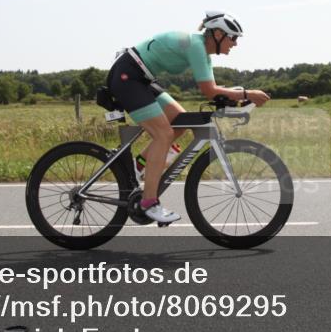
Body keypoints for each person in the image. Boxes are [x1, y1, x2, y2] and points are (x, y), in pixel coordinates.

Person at [106, 11, 271, 223]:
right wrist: (248, 94)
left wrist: (237, 97)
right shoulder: (196, 47)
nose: (235, 44)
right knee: (163, 135)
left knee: (180, 120)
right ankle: (149, 203)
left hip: (141, 78)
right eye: (233, 37)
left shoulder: (202, 51)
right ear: (218, 33)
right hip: (128, 76)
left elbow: (215, 89)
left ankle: (139, 166)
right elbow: (210, 91)